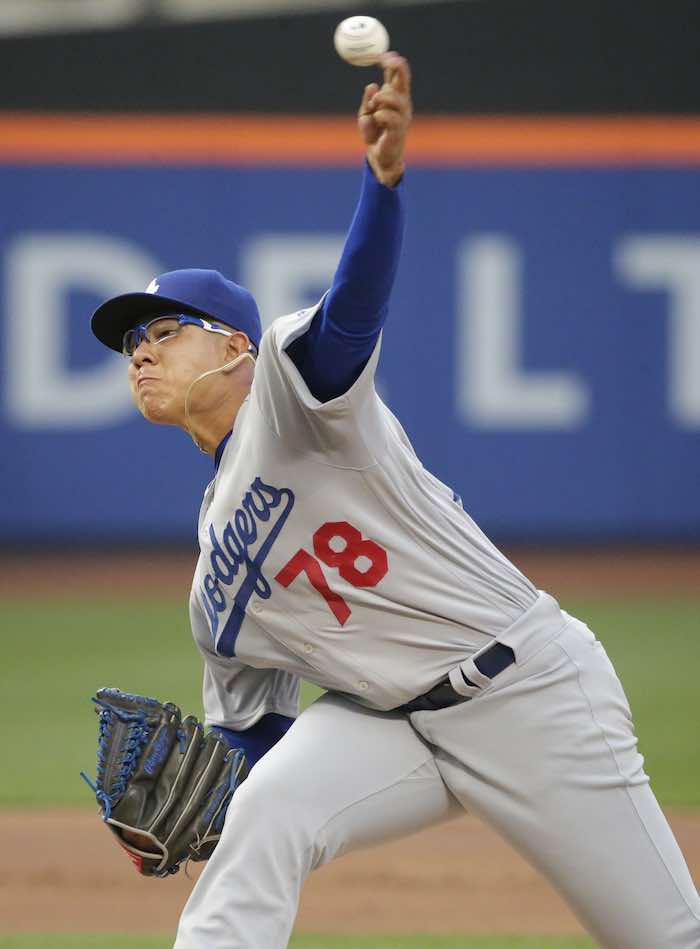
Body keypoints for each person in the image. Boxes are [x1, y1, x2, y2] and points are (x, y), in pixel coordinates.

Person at [90, 54, 700, 949]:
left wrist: (384, 183)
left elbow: (351, 314)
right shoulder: (212, 588)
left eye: (163, 330)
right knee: (265, 818)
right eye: (130, 343)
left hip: (530, 690)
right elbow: (254, 737)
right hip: (389, 726)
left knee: (664, 935)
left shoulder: (292, 395)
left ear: (235, 348)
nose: (139, 352)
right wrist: (208, 800)